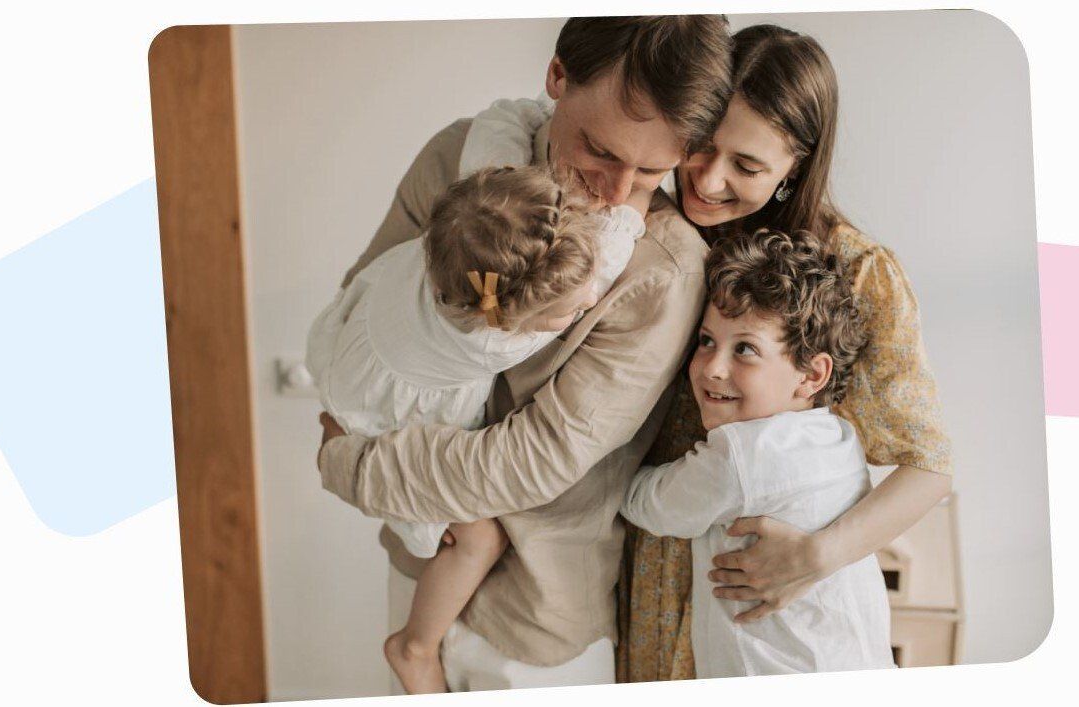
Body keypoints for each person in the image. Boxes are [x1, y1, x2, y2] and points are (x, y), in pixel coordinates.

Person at [315, 16, 733, 691]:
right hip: (417, 561)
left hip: (535, 623)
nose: (617, 189)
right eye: (599, 149)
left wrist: (355, 466)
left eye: (653, 170)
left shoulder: (663, 269)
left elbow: (538, 456)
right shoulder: (457, 159)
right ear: (557, 76)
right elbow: (367, 302)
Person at [618, 24, 953, 681]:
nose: (707, 180)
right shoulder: (649, 230)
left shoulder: (858, 275)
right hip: (652, 572)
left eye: (745, 165)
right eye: (701, 147)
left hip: (771, 594)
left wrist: (816, 556)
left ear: (794, 164)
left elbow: (929, 468)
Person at [306, 165, 645, 692]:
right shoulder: (492, 337)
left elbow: (495, 133)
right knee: (478, 536)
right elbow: (613, 256)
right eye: (569, 312)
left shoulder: (457, 241)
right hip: (376, 416)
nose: (585, 305)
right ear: (507, 316)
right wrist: (637, 197)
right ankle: (414, 646)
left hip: (350, 359)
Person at [620, 229, 893, 678]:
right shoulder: (840, 438)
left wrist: (613, 463)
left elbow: (650, 505)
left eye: (744, 349)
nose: (713, 367)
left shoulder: (743, 455)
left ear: (811, 374)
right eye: (706, 341)